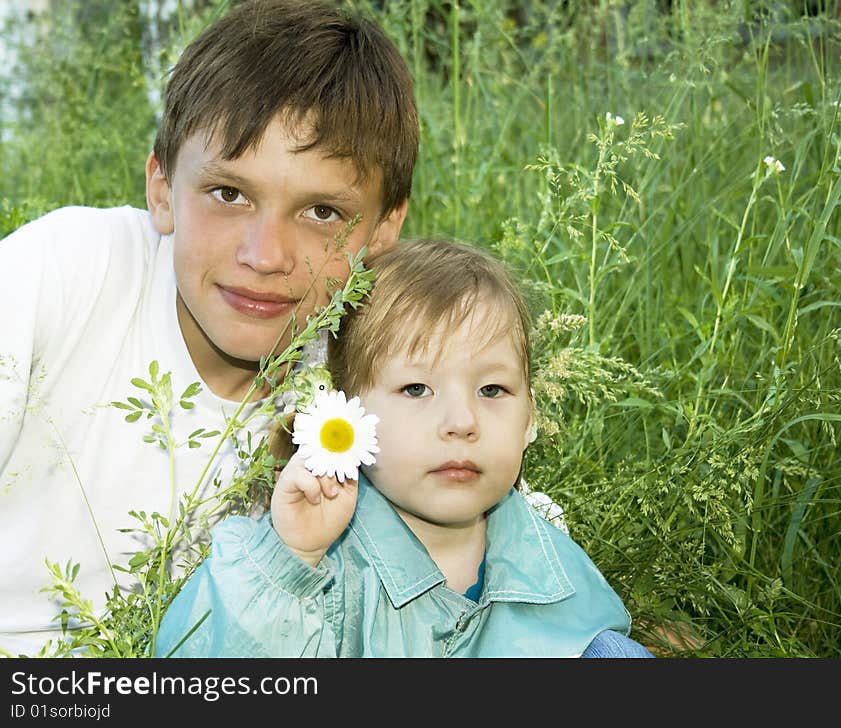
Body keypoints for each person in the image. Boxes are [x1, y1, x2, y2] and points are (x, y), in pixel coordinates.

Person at [0, 0, 419, 657]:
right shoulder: (64, 272)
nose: (265, 255)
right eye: (229, 194)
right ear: (161, 189)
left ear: (385, 228)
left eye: (321, 211)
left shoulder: (370, 372)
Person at [155, 239, 654, 658]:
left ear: (530, 420)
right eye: (416, 389)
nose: (462, 422)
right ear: (346, 420)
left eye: (492, 391)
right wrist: (288, 561)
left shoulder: (544, 553)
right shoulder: (323, 559)